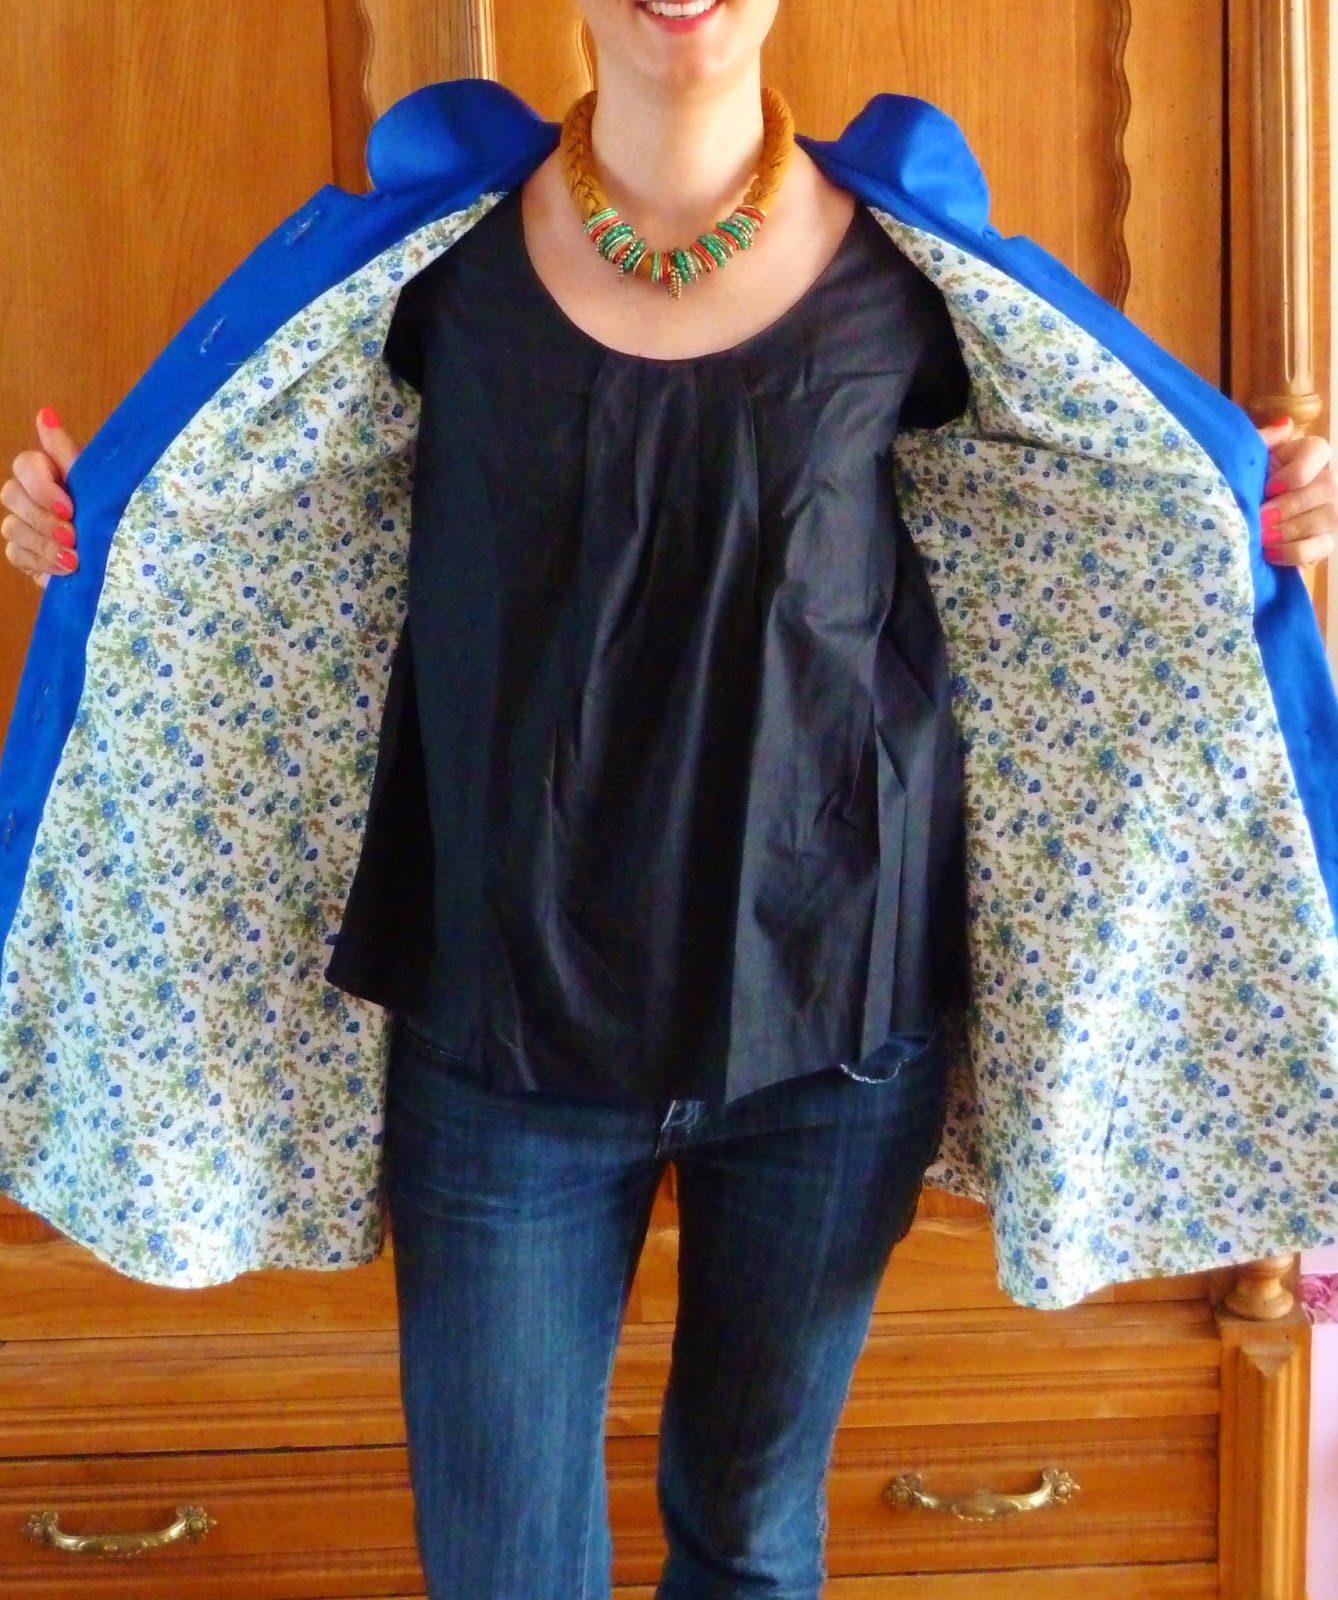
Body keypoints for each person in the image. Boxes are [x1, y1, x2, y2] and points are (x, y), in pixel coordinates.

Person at [3, 3, 1338, 1597]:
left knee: (752, 1544)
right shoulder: (436, 269)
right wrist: (99, 528)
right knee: (505, 1573)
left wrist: (1245, 500)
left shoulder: (911, 275)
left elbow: (1102, 498)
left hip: (832, 1032)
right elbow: (240, 499)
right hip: (499, 1037)